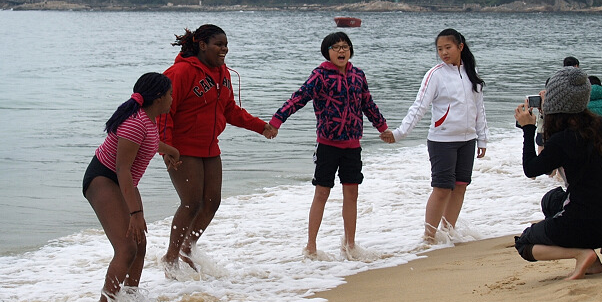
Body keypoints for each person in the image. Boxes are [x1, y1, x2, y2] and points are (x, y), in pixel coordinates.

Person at [159, 25, 277, 276]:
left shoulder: (223, 73)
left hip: (210, 146)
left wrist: (260, 126)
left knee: (212, 202)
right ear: (202, 45)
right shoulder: (180, 72)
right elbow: (163, 111)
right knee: (191, 202)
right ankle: (170, 258)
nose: (224, 49)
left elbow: (230, 110)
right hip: (182, 148)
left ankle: (186, 249)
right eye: (218, 44)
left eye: (226, 44)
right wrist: (166, 149)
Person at [269, 31, 388, 258]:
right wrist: (277, 121)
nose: (341, 50)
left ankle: (350, 245)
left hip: (353, 145)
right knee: (322, 193)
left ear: (351, 50)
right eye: (336, 47)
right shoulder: (320, 75)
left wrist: (382, 128)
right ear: (327, 52)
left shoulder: (358, 76)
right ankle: (311, 246)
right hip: (327, 145)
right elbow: (299, 97)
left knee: (351, 194)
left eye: (345, 46)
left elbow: (368, 105)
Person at [513, 67, 602, 280]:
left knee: (524, 242)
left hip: (586, 223)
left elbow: (531, 169)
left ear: (556, 101)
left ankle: (582, 254)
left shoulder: (563, 140)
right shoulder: (601, 125)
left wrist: (528, 129)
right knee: (551, 201)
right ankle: (593, 264)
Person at [83, 73, 181, 302]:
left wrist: (171, 151)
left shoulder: (146, 120)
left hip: (120, 182)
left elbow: (149, 143)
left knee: (139, 243)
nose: (171, 98)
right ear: (158, 97)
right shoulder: (135, 123)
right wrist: (136, 213)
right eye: (169, 94)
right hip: (103, 179)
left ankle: (130, 298)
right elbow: (122, 169)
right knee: (127, 248)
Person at [381, 28, 489, 243]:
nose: (443, 52)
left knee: (460, 187)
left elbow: (479, 108)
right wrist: (399, 133)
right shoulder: (435, 74)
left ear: (460, 47)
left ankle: (449, 232)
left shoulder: (471, 73)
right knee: (441, 188)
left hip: (467, 140)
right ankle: (429, 237)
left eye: (448, 47)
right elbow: (419, 106)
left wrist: (482, 137)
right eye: (440, 49)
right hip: (442, 141)